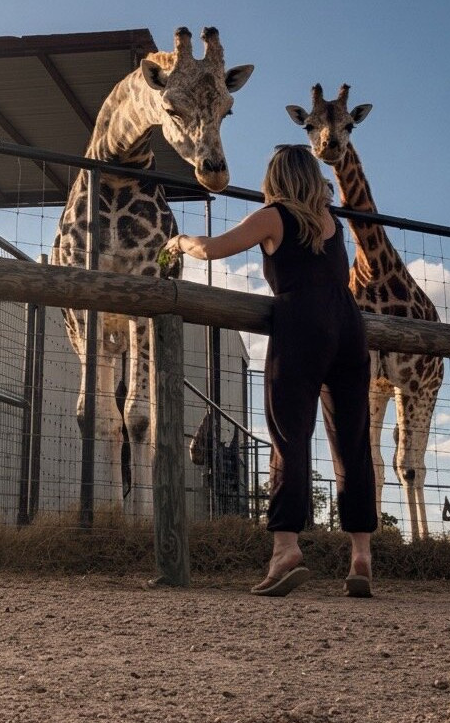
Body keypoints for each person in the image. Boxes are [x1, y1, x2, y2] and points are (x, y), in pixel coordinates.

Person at [163, 144, 378, 597]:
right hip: (349, 325)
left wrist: (178, 242)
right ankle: (361, 554)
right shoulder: (331, 223)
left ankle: (286, 548)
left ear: (276, 178)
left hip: (301, 324)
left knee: (289, 437)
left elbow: (212, 248)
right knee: (353, 443)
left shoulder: (274, 216)